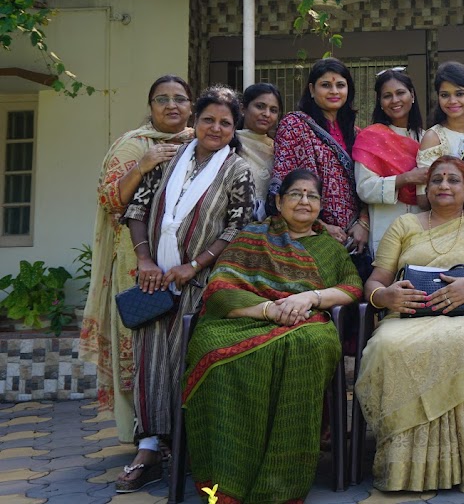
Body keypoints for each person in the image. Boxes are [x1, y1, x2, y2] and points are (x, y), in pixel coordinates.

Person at [183, 168, 362, 503]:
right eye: (296, 194)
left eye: (312, 196)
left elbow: (352, 288)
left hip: (305, 321)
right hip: (244, 318)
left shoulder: (330, 248)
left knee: (308, 346)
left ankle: (279, 480)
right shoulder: (252, 237)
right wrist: (268, 310)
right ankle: (227, 477)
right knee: (217, 354)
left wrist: (309, 298)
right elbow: (220, 288)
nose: (304, 201)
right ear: (279, 201)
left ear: (321, 205)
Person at [355, 155, 464, 493]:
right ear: (427, 188)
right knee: (386, 345)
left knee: (463, 344)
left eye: (453, 180)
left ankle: (458, 464)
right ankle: (402, 469)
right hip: (405, 317)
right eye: (436, 180)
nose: (444, 186)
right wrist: (384, 297)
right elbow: (376, 281)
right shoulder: (404, 225)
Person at [116, 86, 253, 493]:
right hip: (154, 280)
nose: (216, 128)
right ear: (196, 121)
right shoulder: (167, 159)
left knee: (184, 360)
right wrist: (145, 260)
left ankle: (183, 447)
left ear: (234, 128)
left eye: (225, 122)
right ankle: (148, 449)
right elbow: (137, 209)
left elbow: (237, 228)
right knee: (149, 360)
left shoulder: (238, 171)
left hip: (198, 284)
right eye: (209, 119)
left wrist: (193, 265)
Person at [80, 75, 194, 446]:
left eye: (179, 98)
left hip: (185, 261)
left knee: (181, 345)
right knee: (140, 340)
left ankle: (180, 433)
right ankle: (143, 432)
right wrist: (142, 166)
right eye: (162, 99)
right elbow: (111, 200)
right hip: (138, 261)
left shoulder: (200, 140)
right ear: (150, 106)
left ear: (191, 105)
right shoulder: (134, 145)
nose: (172, 105)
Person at [270, 58, 370, 264]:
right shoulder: (294, 125)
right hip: (306, 235)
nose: (334, 91)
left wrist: (363, 223)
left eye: (340, 85)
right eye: (325, 85)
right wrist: (321, 226)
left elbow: (366, 185)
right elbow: (283, 187)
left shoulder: (356, 134)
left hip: (354, 239)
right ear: (312, 90)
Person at [354, 68, 427, 251]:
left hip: (424, 228)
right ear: (380, 102)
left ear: (412, 95)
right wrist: (406, 178)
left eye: (400, 93)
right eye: (387, 96)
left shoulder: (428, 138)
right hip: (385, 226)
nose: (395, 100)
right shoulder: (371, 137)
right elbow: (365, 189)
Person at [416, 61, 464, 212]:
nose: (452, 101)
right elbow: (422, 199)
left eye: (459, 94)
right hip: (446, 221)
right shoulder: (434, 137)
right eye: (445, 95)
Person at [236, 82, 282, 220]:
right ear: (243, 109)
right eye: (260, 106)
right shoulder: (229, 142)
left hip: (270, 224)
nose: (266, 114)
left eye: (273, 110)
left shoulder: (280, 149)